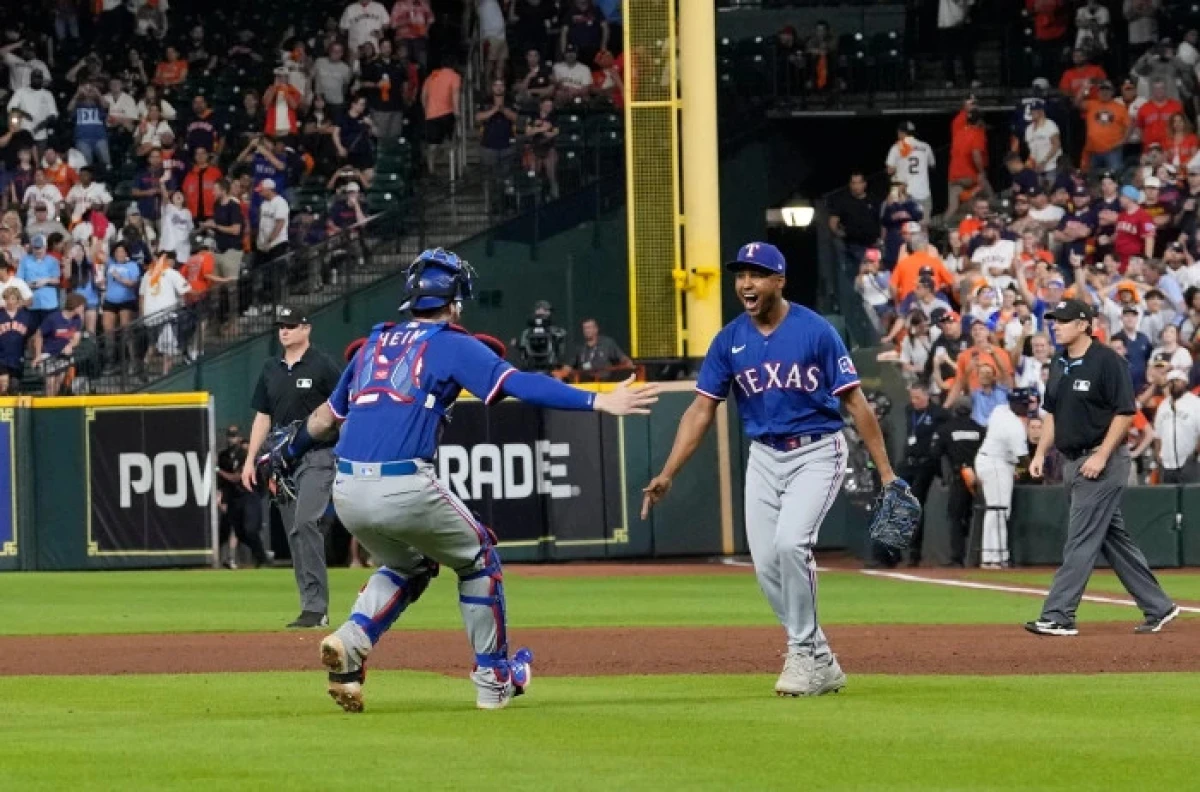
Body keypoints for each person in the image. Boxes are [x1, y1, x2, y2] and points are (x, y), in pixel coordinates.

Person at [274, 247, 658, 711]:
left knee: (409, 566)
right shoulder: (451, 342)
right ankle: (494, 678)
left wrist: (289, 454)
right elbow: (519, 383)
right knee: (480, 560)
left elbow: (322, 419)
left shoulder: (372, 343)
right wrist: (597, 401)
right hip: (403, 482)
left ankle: (352, 641)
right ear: (454, 299)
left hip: (348, 486)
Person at [641, 242, 900, 697]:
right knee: (764, 564)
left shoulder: (816, 331)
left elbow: (855, 403)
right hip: (764, 455)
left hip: (817, 450)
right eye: (741, 274)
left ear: (779, 281)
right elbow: (700, 411)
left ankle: (802, 653)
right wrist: (668, 472)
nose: (746, 283)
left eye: (757, 274)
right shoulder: (729, 340)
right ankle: (820, 657)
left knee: (790, 543)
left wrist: (887, 474)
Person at [1026, 299, 1180, 636]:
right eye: (1054, 320)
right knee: (1113, 539)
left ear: (1083, 324)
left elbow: (1125, 413)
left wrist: (1101, 455)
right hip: (1072, 460)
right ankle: (1159, 606)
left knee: (1080, 538)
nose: (1056, 326)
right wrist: (1040, 453)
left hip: (1102, 461)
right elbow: (1051, 412)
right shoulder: (1060, 361)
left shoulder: (1108, 361)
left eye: (1062, 321)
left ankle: (1058, 615)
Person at [241, 307, 343, 628]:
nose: (284, 331)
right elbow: (263, 416)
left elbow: (344, 407)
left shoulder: (323, 365)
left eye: (290, 325)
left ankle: (317, 607)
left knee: (305, 522)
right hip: (281, 461)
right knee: (294, 533)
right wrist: (249, 459)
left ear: (306, 329)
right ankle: (310, 607)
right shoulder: (270, 368)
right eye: (280, 326)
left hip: (319, 455)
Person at [974, 388, 1033, 569]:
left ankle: (992, 555)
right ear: (1015, 405)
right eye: (1023, 404)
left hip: (988, 459)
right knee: (999, 510)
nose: (1025, 408)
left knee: (995, 510)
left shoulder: (999, 410)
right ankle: (995, 556)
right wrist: (1026, 473)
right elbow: (1023, 460)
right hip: (996, 463)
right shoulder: (1014, 426)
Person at [896, 382, 946, 567]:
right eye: (912, 397)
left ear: (927, 396)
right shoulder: (909, 410)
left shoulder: (938, 414)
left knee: (915, 504)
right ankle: (894, 552)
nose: (914, 401)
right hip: (908, 462)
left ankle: (914, 552)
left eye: (917, 397)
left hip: (926, 463)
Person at [933, 397, 985, 567]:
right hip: (979, 478)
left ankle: (957, 557)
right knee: (977, 516)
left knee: (956, 517)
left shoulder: (946, 429)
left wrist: (941, 476)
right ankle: (976, 556)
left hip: (958, 477)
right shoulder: (980, 429)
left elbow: (935, 455)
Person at [217, 424, 269, 569]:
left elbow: (237, 477)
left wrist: (218, 471)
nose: (231, 439)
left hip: (249, 494)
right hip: (234, 498)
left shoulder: (245, 454)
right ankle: (261, 556)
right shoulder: (224, 456)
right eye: (229, 436)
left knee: (250, 529)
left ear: (239, 437)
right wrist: (222, 497)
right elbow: (223, 483)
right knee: (239, 532)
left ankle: (262, 558)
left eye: (234, 436)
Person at [1153, 369, 1200, 483]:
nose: (1173, 384)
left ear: (1185, 382)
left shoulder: (1195, 403)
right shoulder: (1163, 405)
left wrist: (1195, 453)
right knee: (1168, 498)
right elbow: (1158, 434)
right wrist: (1158, 454)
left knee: (1191, 497)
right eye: (1170, 381)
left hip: (1190, 461)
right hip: (1167, 463)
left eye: (1177, 381)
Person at [565, 318, 631, 379]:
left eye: (589, 328)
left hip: (605, 382)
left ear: (596, 329)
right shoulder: (579, 347)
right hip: (586, 383)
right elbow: (568, 367)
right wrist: (561, 373)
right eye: (585, 328)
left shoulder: (607, 343)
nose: (587, 330)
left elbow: (623, 358)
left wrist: (628, 363)